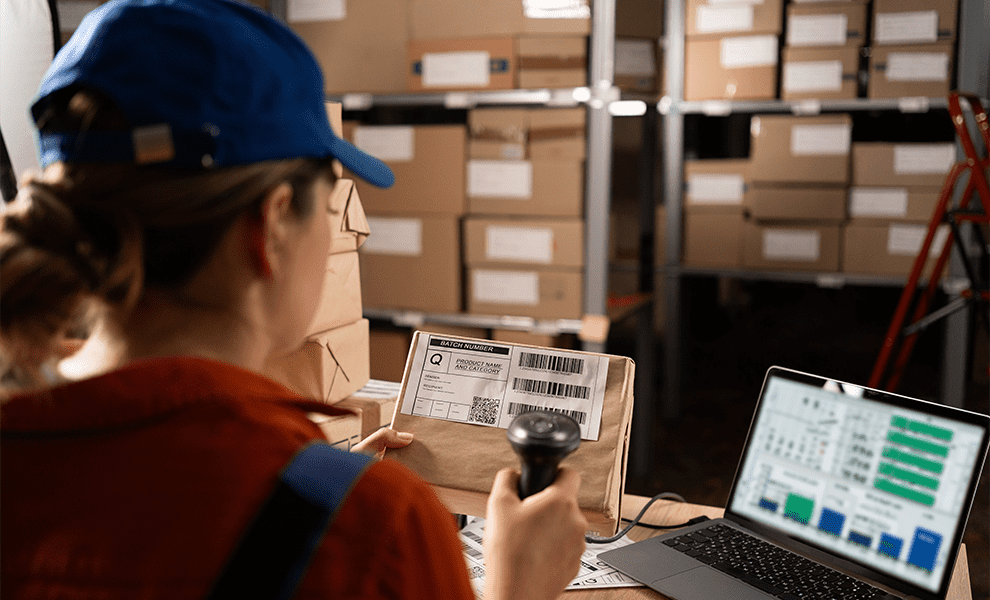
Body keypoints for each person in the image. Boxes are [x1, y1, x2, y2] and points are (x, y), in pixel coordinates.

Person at [0, 1, 588, 599]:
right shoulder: (377, 532)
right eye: (331, 200)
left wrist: (315, 485)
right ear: (275, 222)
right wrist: (518, 588)